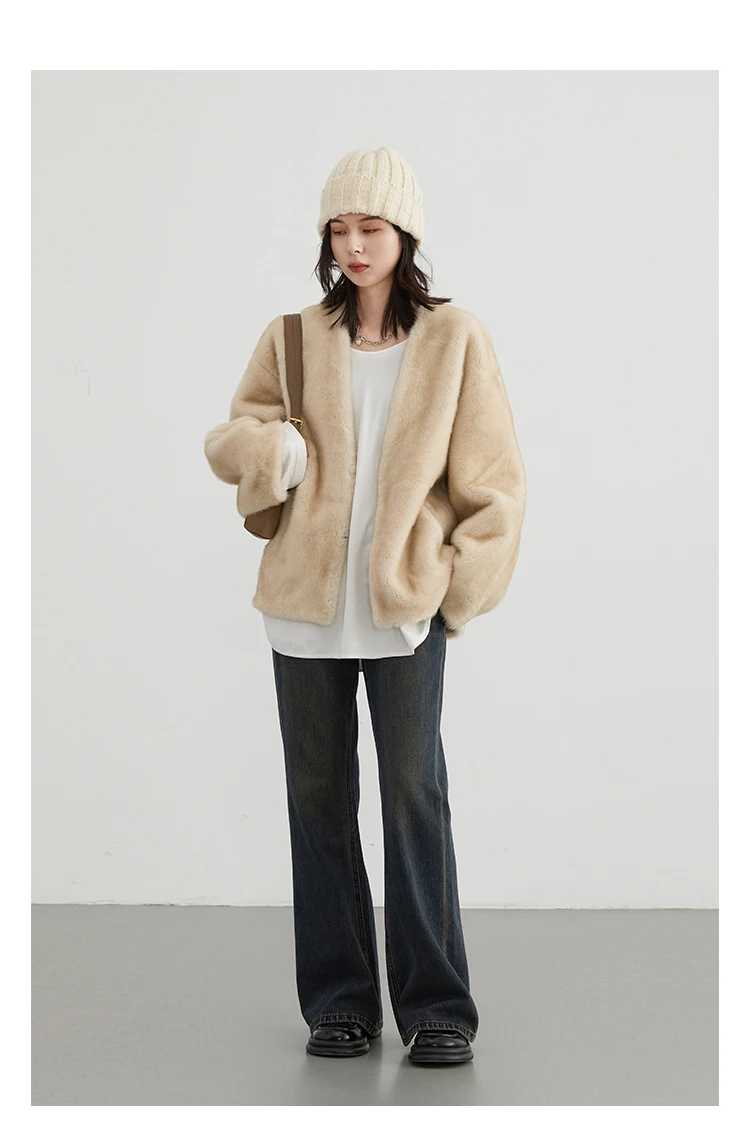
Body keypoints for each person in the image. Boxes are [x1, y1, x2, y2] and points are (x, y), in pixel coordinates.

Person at [204, 146, 527, 1065]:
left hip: (403, 610)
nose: (353, 244)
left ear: (404, 234)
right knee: (317, 801)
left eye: (370, 227)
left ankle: (438, 1008)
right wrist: (277, 452)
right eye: (339, 228)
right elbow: (233, 436)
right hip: (303, 608)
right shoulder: (293, 337)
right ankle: (340, 1002)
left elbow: (496, 483)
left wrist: (455, 590)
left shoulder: (454, 338)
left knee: (414, 796)